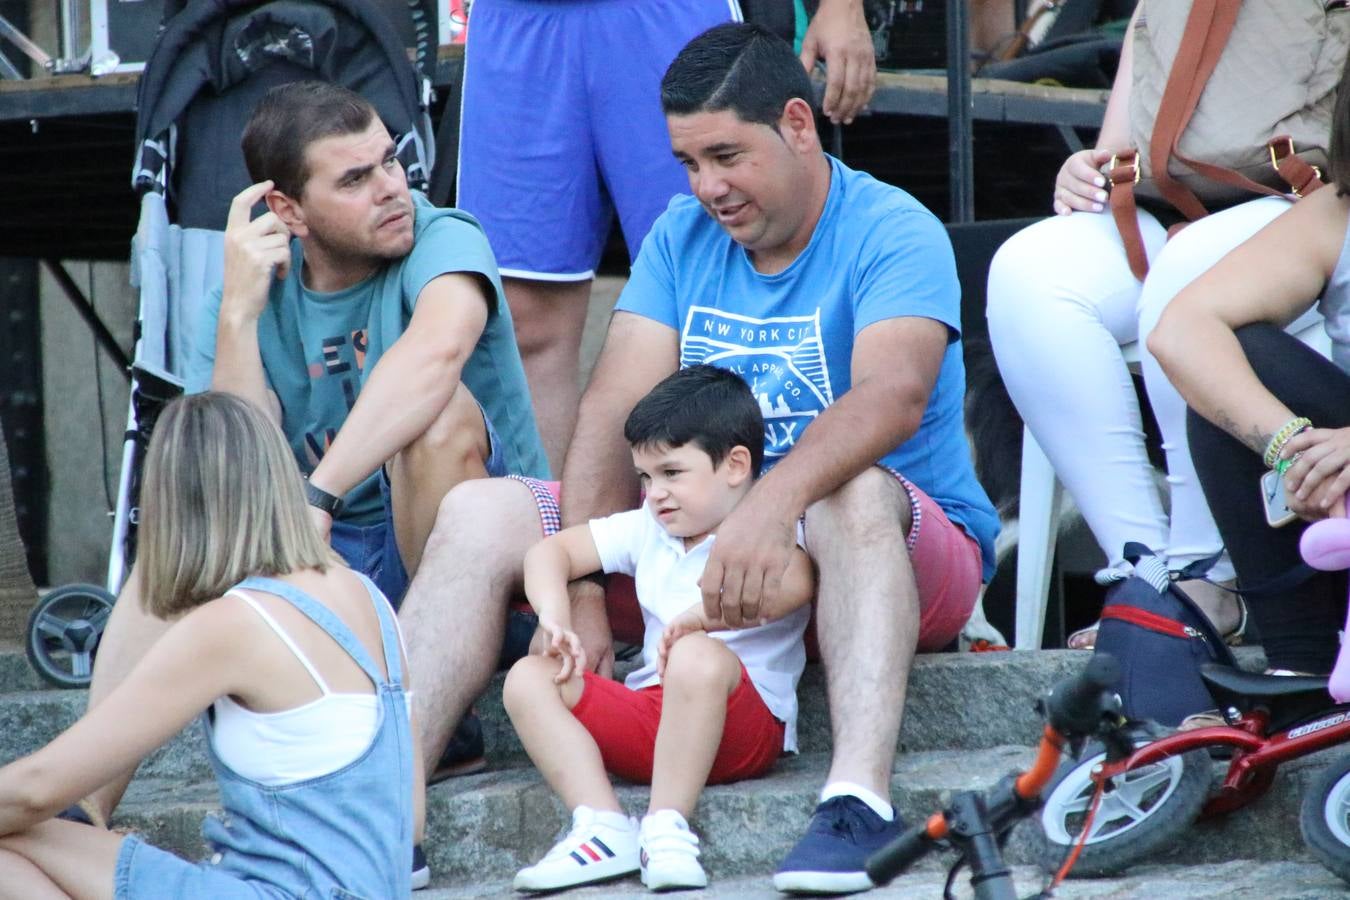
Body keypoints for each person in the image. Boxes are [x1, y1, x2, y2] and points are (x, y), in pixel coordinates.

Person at [401, 22, 997, 894]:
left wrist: (769, 505)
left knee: (852, 491)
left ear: (799, 124)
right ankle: (390, 809)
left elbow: (891, 396)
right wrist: (583, 590)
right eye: (687, 162)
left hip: (882, 555)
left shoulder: (891, 227)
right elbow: (613, 409)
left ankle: (857, 803)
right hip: (704, 571)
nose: (706, 187)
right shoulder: (683, 234)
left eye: (726, 155)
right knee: (477, 512)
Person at [76, 80, 548, 876]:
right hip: (326, 590)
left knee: (433, 423)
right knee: (191, 521)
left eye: (390, 162)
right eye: (355, 179)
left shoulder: (443, 238)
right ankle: (80, 802)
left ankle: (400, 791)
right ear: (287, 212)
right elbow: (231, 473)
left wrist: (316, 496)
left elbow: (437, 356)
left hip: (473, 562)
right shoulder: (256, 288)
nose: (393, 188)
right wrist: (237, 313)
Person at [0, 392, 422, 898]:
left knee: (13, 839)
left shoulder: (237, 624)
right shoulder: (370, 600)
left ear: (175, 502)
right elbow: (411, 819)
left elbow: (37, 788)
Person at [985, 2, 1297, 648]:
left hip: (1302, 207)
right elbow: (1143, 67)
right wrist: (1094, 164)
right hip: (1164, 209)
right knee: (1030, 270)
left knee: (1185, 279)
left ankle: (1203, 575)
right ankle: (1145, 568)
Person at [456, 0, 877, 472]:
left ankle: (713, 524)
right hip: (519, 18)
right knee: (523, 321)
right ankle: (559, 533)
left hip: (662, 11)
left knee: (711, 284)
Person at [505, 365, 814, 893]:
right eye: (645, 478)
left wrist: (701, 619)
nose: (654, 494)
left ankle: (667, 825)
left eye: (672, 473)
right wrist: (555, 618)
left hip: (741, 725)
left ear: (736, 464)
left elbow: (796, 583)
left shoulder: (769, 528)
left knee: (696, 654)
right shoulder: (648, 528)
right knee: (528, 678)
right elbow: (549, 552)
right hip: (652, 716)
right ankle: (602, 826)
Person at [1148, 62, 1350, 681]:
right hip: (1339, 495)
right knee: (1237, 362)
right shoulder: (1337, 215)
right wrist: (1294, 450)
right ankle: (1302, 667)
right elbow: (1181, 331)